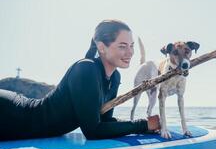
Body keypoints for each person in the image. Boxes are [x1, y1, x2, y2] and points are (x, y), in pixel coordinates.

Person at [0, 20, 160, 141]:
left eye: (131, 46)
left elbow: (105, 122)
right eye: (123, 46)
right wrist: (143, 124)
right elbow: (92, 131)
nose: (130, 52)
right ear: (102, 47)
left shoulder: (114, 77)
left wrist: (144, 126)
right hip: (12, 116)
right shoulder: (86, 69)